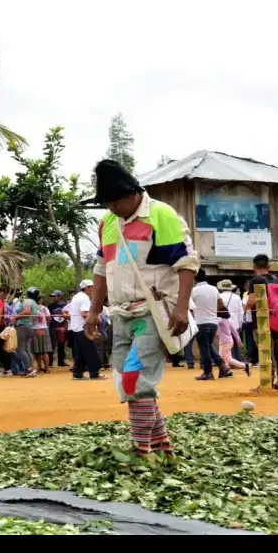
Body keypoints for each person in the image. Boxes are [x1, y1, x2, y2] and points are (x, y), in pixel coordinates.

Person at [84, 158, 198, 458]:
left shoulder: (161, 215)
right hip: (121, 312)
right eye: (106, 203)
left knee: (136, 378)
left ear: (131, 193)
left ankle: (140, 450)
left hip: (154, 311)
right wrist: (94, 311)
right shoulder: (108, 223)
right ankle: (162, 446)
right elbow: (100, 268)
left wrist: (182, 308)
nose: (111, 208)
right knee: (125, 379)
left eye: (114, 202)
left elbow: (186, 263)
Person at [244, 255, 278, 390]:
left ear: (254, 268)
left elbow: (251, 301)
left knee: (265, 352)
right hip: (277, 319)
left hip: (262, 322)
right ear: (268, 267)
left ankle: (267, 382)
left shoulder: (255, 280)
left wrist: (246, 307)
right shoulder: (277, 280)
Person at [192, 269, 231, 380]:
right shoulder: (214, 289)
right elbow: (221, 306)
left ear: (194, 278)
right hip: (213, 323)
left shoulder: (194, 291)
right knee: (208, 346)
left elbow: (188, 306)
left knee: (204, 348)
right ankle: (222, 366)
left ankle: (208, 372)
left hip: (200, 323)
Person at [70, 279, 104, 380]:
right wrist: (96, 319)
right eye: (92, 287)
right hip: (84, 328)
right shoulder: (85, 298)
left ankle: (77, 373)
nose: (93, 289)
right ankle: (94, 372)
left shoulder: (76, 297)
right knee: (90, 350)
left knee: (80, 352)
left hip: (76, 328)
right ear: (87, 288)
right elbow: (84, 313)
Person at [10, 287, 39, 378]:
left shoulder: (27, 301)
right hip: (30, 326)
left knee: (20, 349)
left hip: (23, 326)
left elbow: (27, 311)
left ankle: (29, 369)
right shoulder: (34, 303)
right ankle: (31, 369)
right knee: (26, 350)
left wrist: (16, 317)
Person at [217, 279, 245, 363]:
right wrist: (240, 323)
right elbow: (241, 312)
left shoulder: (219, 296)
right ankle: (237, 360)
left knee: (224, 343)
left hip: (222, 323)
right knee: (236, 343)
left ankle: (227, 361)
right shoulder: (236, 297)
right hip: (235, 323)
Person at [32, 294, 53, 373]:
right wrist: (44, 323)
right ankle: (47, 368)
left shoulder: (32, 308)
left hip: (35, 329)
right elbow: (49, 318)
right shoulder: (44, 308)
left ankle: (39, 368)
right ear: (40, 300)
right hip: (44, 328)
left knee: (37, 350)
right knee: (45, 350)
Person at [47, 290, 68, 367]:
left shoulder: (65, 305)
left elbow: (67, 316)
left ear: (59, 296)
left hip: (62, 326)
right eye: (53, 296)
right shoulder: (50, 306)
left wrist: (65, 325)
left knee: (61, 344)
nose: (53, 298)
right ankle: (50, 361)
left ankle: (61, 361)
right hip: (53, 326)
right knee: (52, 344)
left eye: (55, 296)